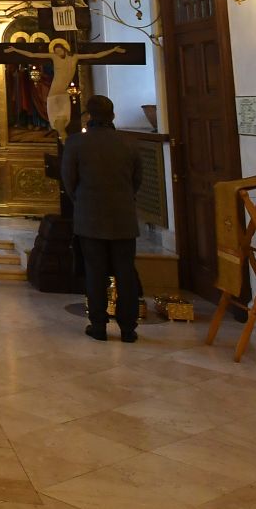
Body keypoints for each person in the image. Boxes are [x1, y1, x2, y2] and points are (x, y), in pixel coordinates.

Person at [61, 95, 144, 342]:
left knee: (94, 272)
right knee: (125, 272)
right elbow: (136, 180)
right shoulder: (129, 143)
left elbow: (69, 181)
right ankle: (128, 328)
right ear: (113, 116)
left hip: (90, 218)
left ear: (88, 116)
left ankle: (98, 325)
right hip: (124, 219)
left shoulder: (76, 143)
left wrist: (83, 202)